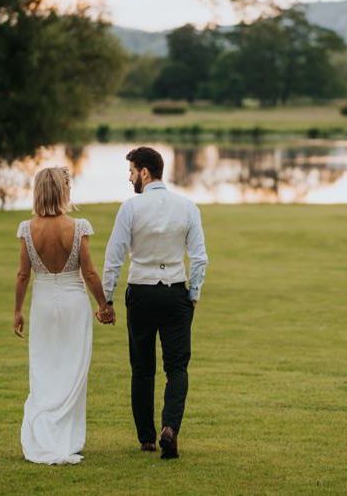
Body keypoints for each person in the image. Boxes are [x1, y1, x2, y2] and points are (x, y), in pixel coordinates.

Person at [103, 146, 208, 459]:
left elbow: (114, 256)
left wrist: (107, 297)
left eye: (132, 172)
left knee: (142, 368)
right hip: (175, 292)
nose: (130, 178)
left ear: (144, 172)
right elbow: (200, 257)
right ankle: (170, 428)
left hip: (141, 292)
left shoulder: (131, 208)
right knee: (177, 367)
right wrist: (194, 293)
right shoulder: (188, 206)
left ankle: (147, 438)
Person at [13, 167, 113, 465]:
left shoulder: (27, 228)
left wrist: (18, 310)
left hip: (42, 303)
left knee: (44, 368)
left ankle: (46, 436)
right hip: (73, 302)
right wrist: (104, 305)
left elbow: (22, 275)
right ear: (63, 191)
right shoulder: (78, 226)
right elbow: (90, 271)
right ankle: (67, 439)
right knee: (72, 369)